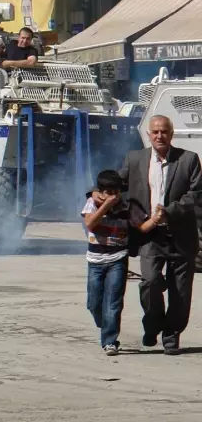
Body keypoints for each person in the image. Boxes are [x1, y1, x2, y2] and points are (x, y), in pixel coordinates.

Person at [93, 115, 202, 354]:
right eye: (155, 132)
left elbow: (196, 193)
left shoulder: (189, 160)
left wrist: (170, 212)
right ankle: (153, 324)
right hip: (149, 236)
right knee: (150, 282)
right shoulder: (135, 159)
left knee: (181, 292)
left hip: (181, 236)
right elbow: (116, 183)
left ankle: (172, 335)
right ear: (149, 135)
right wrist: (94, 193)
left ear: (171, 134)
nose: (159, 136)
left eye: (164, 132)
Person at [82, 169, 161, 355]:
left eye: (116, 192)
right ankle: (105, 324)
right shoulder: (92, 203)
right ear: (100, 192)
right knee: (94, 303)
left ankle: (110, 341)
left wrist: (156, 218)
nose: (113, 197)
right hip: (95, 260)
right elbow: (90, 224)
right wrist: (104, 206)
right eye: (108, 193)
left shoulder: (126, 206)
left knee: (113, 302)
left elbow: (142, 226)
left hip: (118, 258)